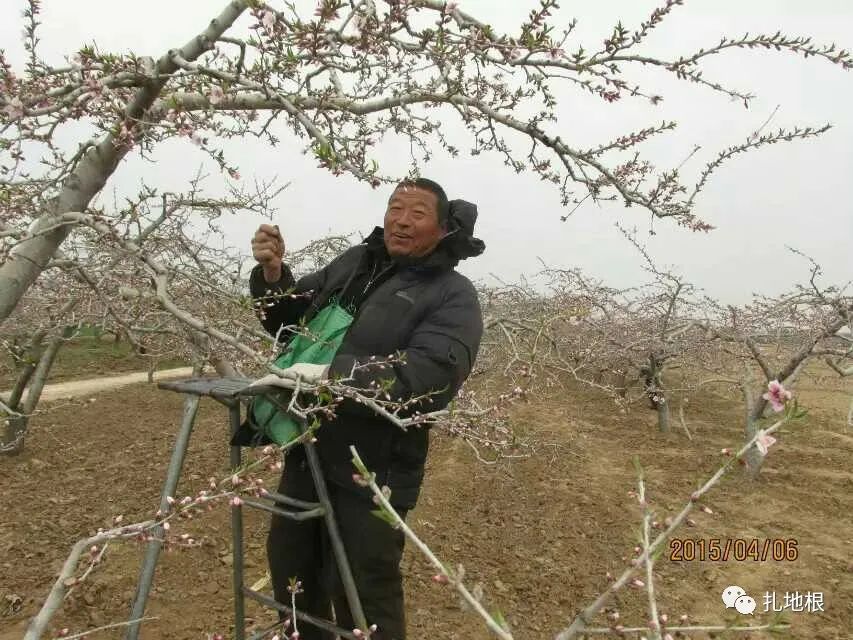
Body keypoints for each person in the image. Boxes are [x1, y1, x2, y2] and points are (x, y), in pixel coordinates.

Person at [243, 178, 485, 640]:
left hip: (376, 468)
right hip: (309, 446)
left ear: (443, 228)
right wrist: (274, 274)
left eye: (416, 213)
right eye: (395, 207)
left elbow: (430, 376)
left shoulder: (452, 293)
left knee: (362, 587)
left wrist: (333, 373)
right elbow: (287, 321)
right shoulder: (357, 263)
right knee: (293, 571)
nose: (400, 220)